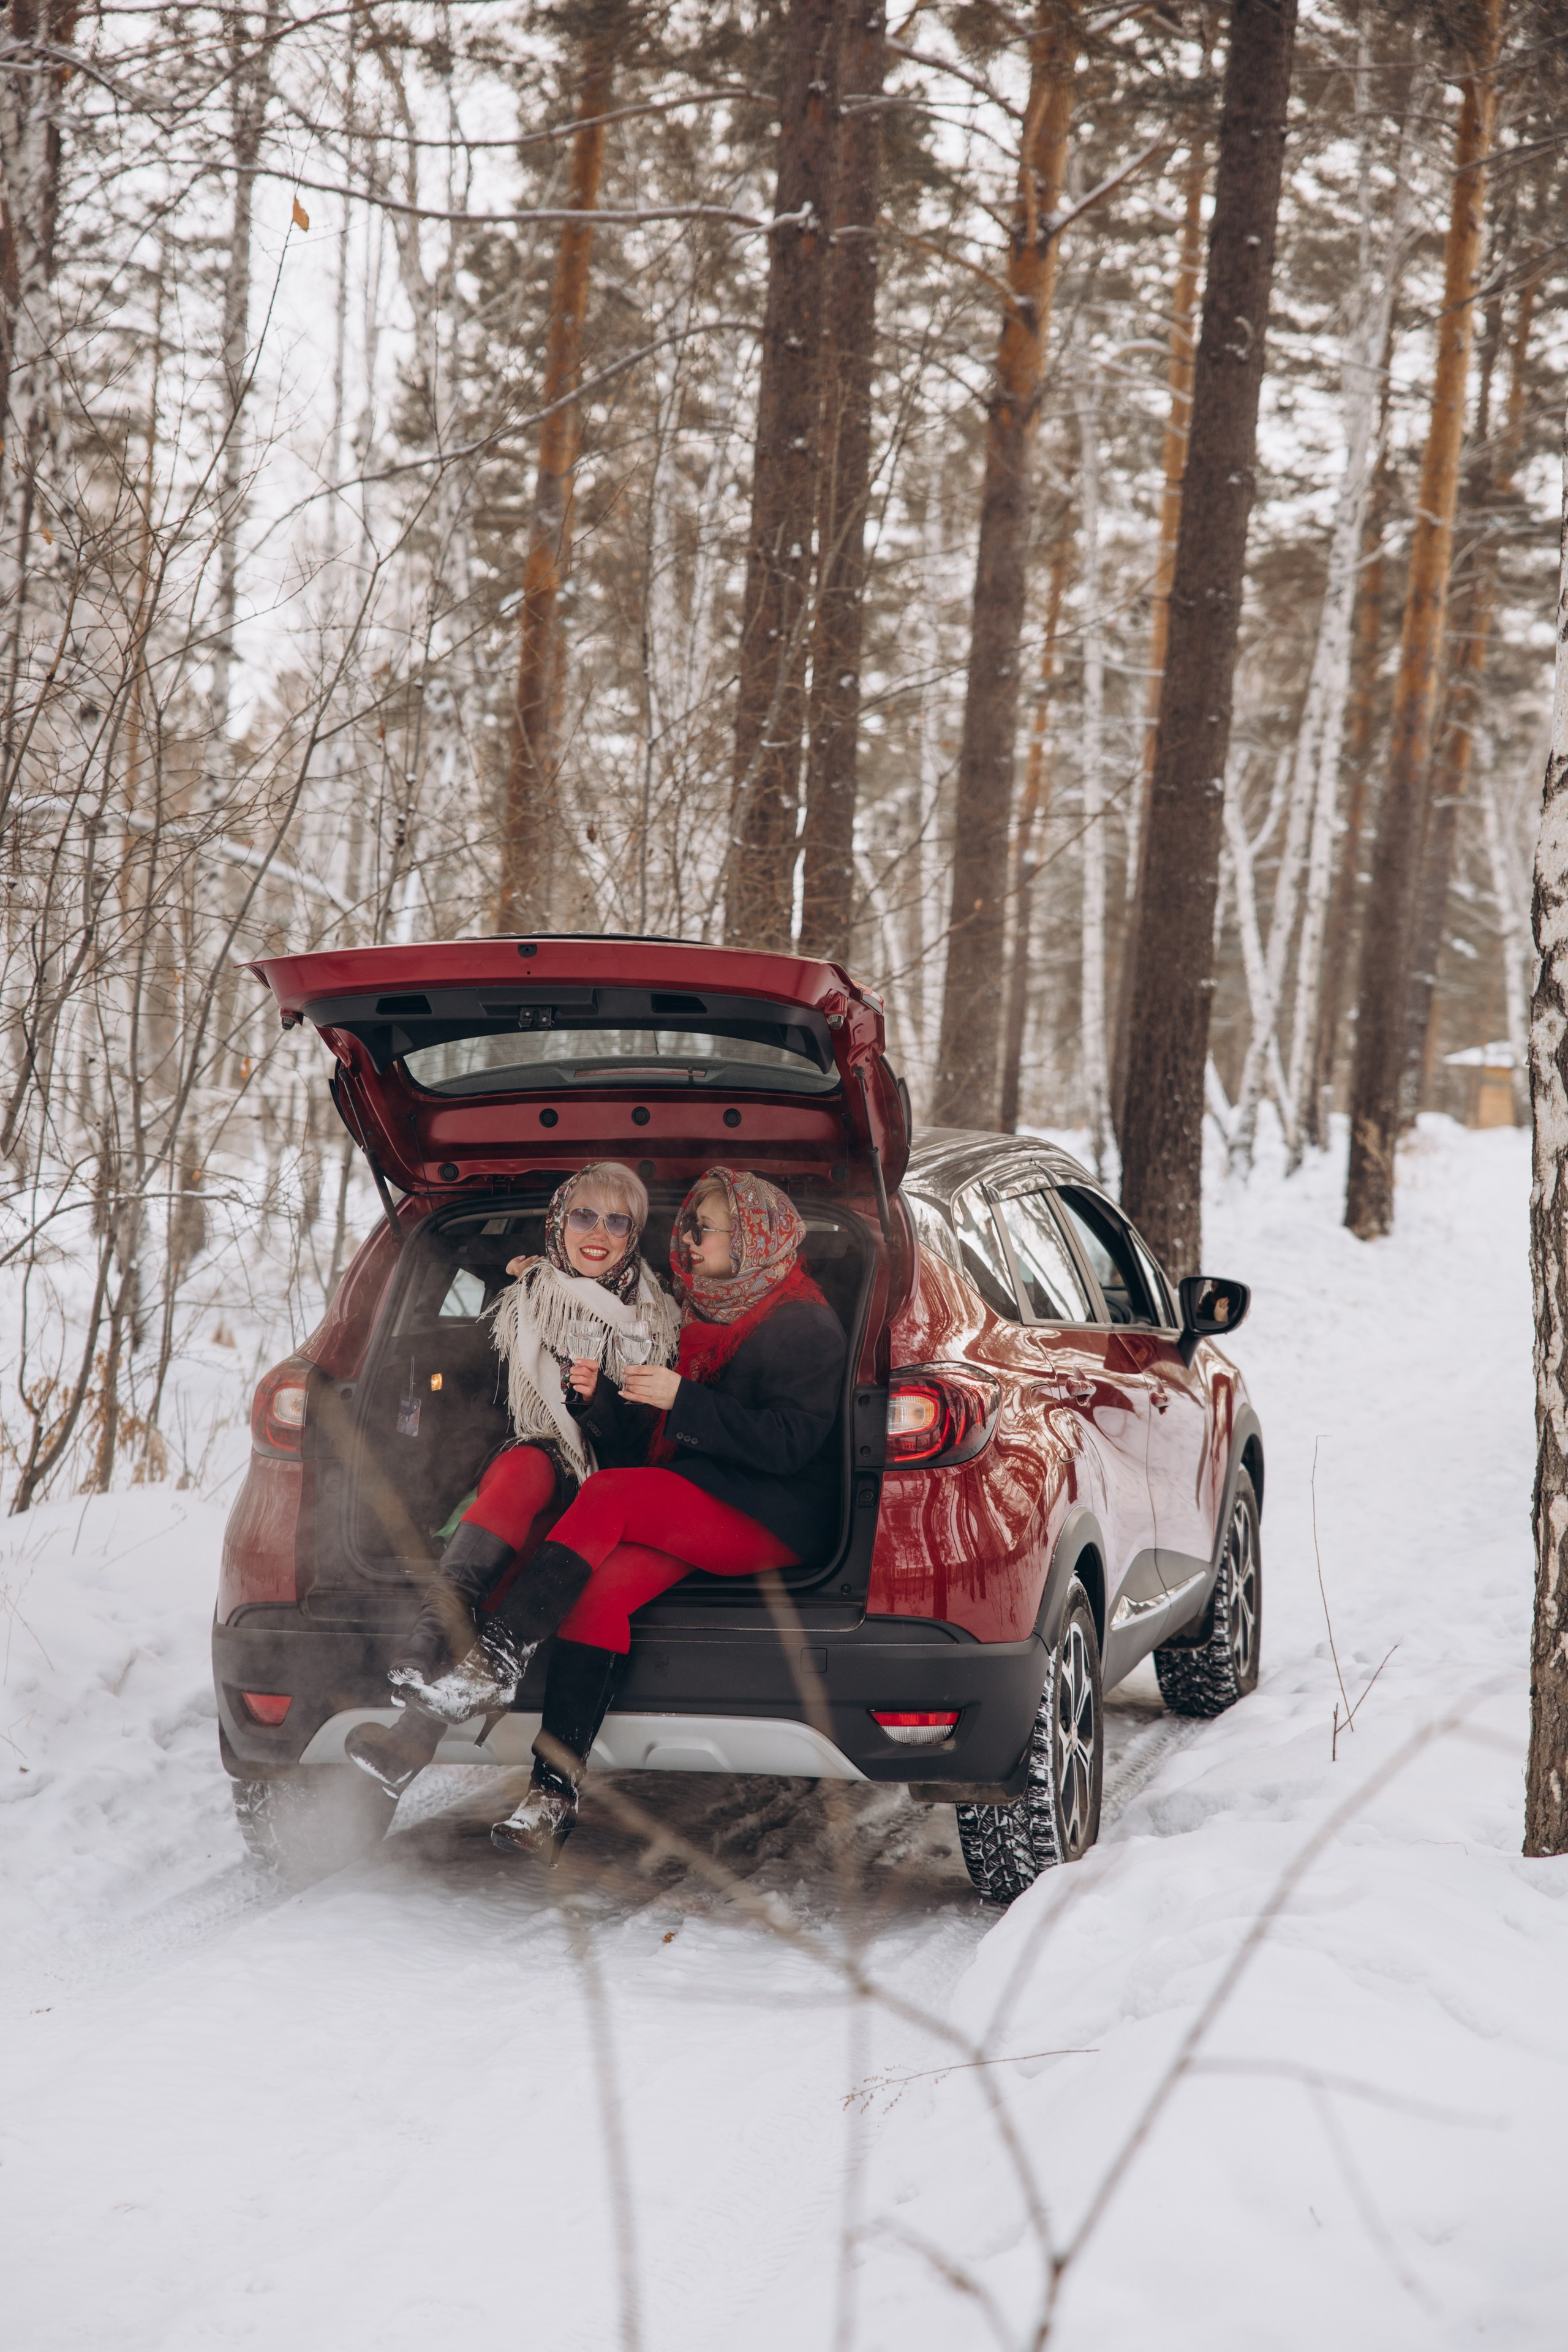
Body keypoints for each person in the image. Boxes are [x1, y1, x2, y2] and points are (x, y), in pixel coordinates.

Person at [402, 1166, 847, 1860]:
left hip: (771, 1512)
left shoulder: (805, 1324)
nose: (689, 1240)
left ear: (753, 1238)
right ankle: (552, 1797)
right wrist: (596, 1398)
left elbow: (791, 1445)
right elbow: (646, 1433)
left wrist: (684, 1401)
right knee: (595, 1600)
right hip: (698, 1498)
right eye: (690, 1226)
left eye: (705, 1230)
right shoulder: (692, 1309)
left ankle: (497, 1660)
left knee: (612, 1494)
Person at [346, 1162, 677, 1796]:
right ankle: (425, 1644)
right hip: (537, 1468)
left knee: (520, 1560)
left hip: (613, 1488)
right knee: (523, 1469)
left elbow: (645, 1445)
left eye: (617, 1220)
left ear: (635, 1233)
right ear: (558, 1221)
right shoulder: (526, 1297)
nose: (598, 1232)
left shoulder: (654, 1319)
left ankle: (412, 1736)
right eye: (583, 1215)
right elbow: (479, 1402)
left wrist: (596, 1400)